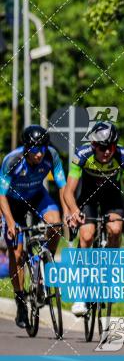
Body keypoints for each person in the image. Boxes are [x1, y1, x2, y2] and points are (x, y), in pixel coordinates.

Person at [62, 121, 124, 318]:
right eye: (103, 147)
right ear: (94, 146)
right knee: (87, 235)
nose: (107, 152)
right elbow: (69, 192)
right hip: (87, 196)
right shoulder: (82, 155)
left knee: (115, 230)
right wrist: (73, 210)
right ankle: (81, 292)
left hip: (111, 197)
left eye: (111, 147)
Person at [0, 126, 67, 328]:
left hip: (37, 197)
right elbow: (1, 195)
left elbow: (63, 187)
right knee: (16, 252)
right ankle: (20, 301)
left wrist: (66, 212)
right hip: (12, 203)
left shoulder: (51, 155)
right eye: (35, 150)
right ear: (26, 148)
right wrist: (11, 223)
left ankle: (43, 261)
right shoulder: (12, 161)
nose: (39, 154)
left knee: (55, 224)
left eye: (42, 149)